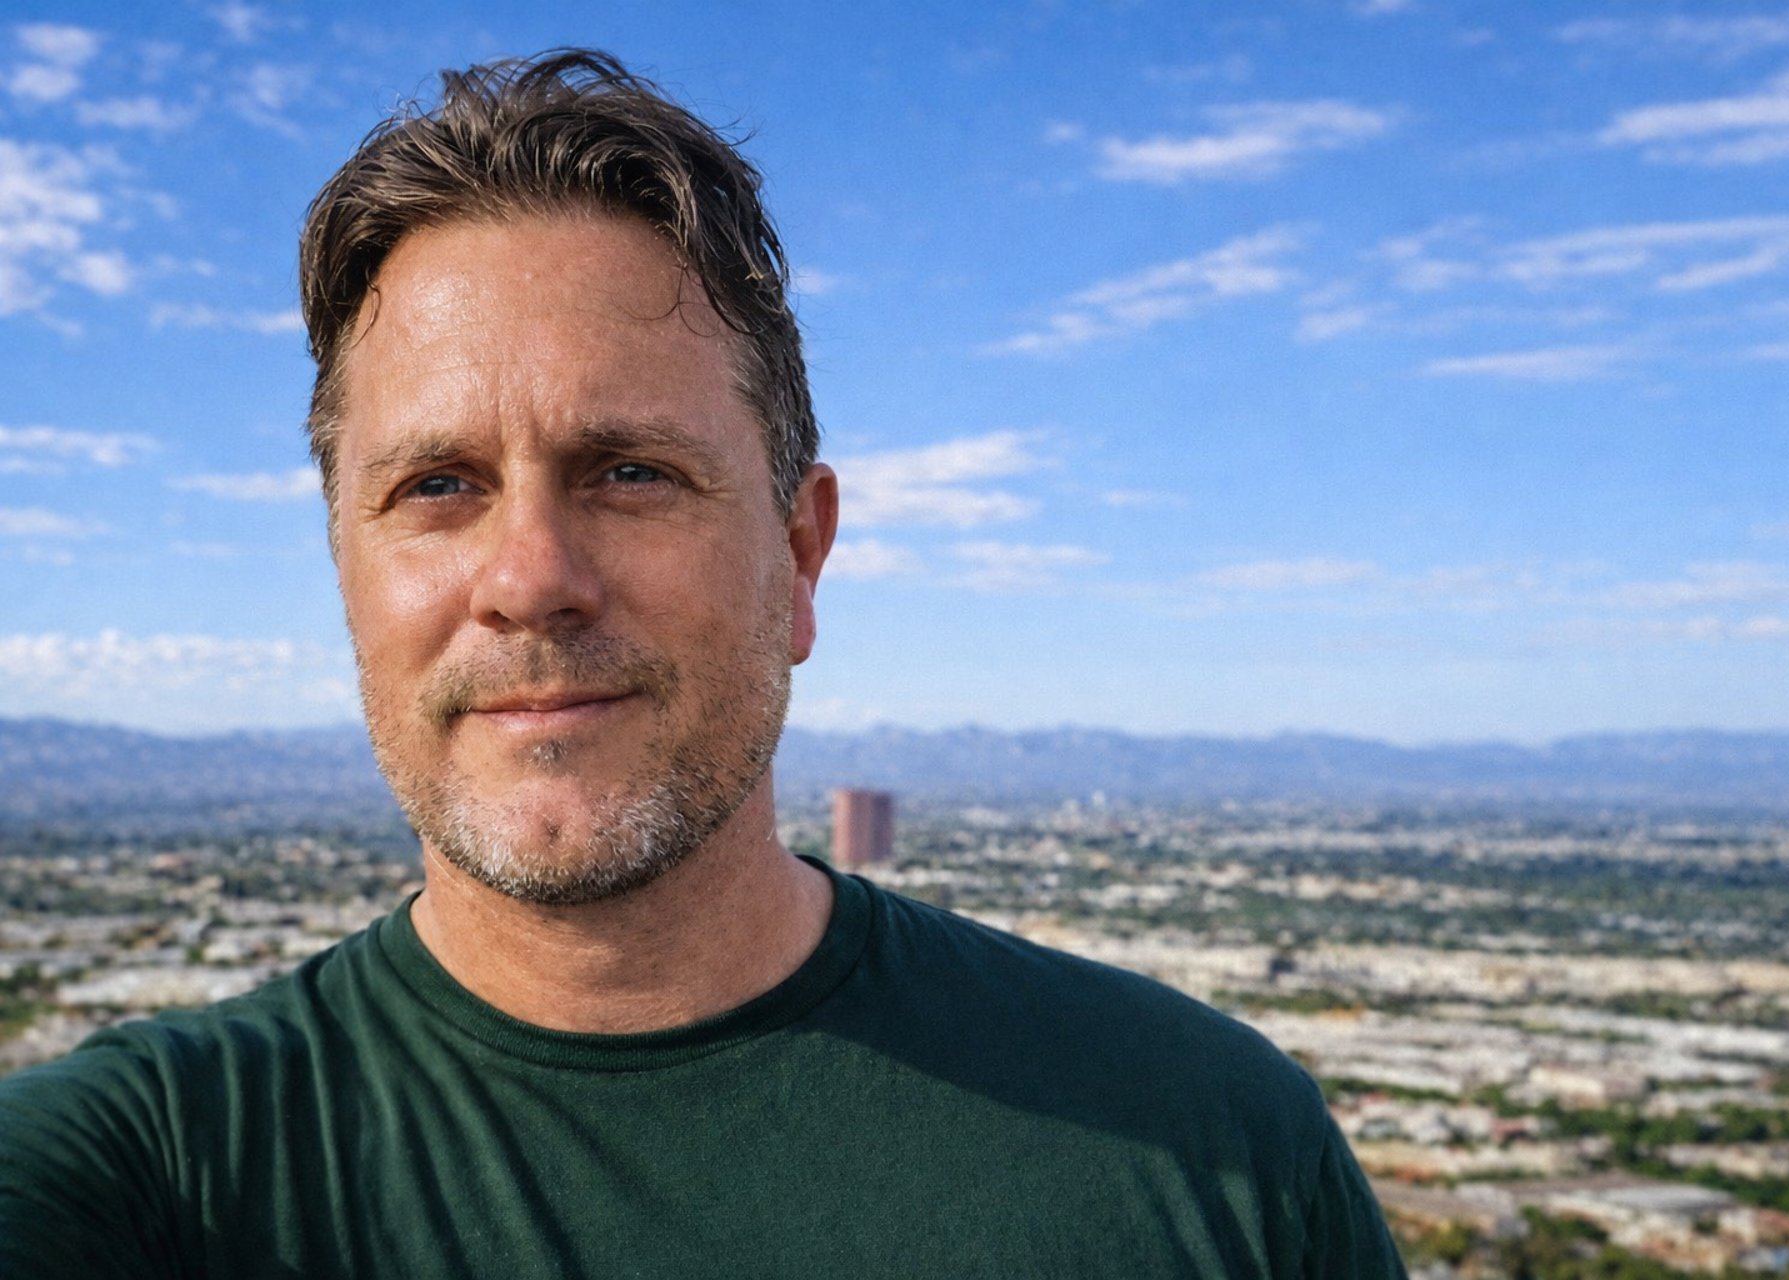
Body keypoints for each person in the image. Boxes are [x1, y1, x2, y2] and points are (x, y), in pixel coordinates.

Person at [0, 50, 1405, 1278]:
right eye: (436, 486)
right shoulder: (148, 1178)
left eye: (630, 470)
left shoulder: (1213, 1155)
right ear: (344, 569)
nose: (531, 578)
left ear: (799, 555)